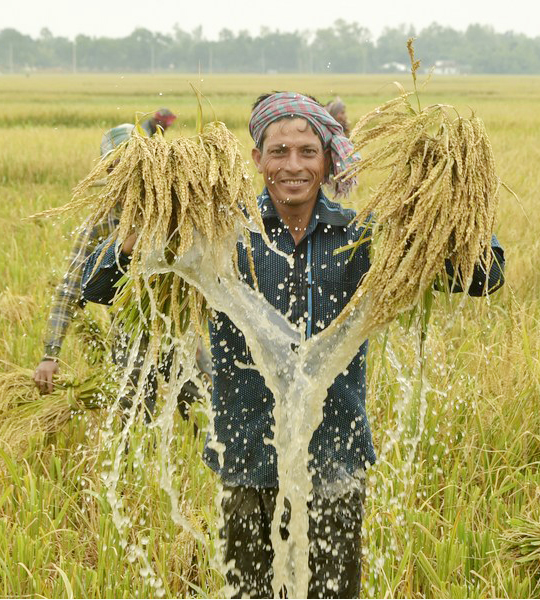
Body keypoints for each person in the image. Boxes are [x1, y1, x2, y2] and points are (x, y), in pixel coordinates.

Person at [81, 92, 505, 598]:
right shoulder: (225, 237)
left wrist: (448, 210)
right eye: (278, 152)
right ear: (257, 159)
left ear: (327, 160)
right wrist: (143, 223)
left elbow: (483, 277)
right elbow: (101, 287)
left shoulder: (363, 237)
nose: (293, 165)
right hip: (246, 457)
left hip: (334, 458)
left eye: (307, 152)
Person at [34, 107, 193, 400]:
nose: (127, 175)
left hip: (179, 324)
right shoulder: (100, 221)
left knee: (202, 400)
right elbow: (71, 287)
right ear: (108, 171)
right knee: (131, 407)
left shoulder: (177, 205)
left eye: (134, 164)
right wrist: (50, 355)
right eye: (116, 167)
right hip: (127, 327)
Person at [100, 108, 177, 159]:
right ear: (157, 122)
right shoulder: (143, 134)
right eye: (167, 124)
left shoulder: (152, 130)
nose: (167, 127)